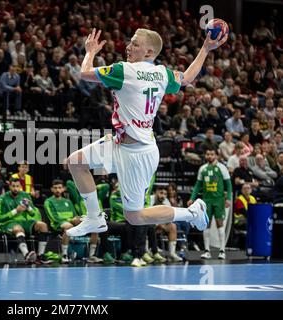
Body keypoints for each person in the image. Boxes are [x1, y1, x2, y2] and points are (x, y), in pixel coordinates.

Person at [65, 27, 227, 237]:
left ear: (149, 53)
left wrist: (90, 52)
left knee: (135, 217)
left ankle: (190, 212)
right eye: (130, 42)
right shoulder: (161, 73)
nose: (128, 47)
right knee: (76, 162)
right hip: (120, 143)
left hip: (137, 154)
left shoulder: (124, 70)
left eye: (135, 44)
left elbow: (84, 73)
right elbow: (186, 78)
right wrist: (205, 48)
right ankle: (94, 219)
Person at [188, 148, 232, 260]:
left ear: (216, 155)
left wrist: (229, 199)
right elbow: (198, 185)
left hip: (219, 200)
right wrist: (192, 198)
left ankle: (222, 251)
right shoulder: (202, 169)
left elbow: (229, 184)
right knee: (205, 224)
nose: (210, 156)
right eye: (208, 154)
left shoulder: (222, 168)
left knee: (219, 224)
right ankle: (207, 251)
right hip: (206, 200)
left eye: (212, 154)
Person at [44, 179, 102, 264]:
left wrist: (76, 219)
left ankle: (91, 256)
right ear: (52, 189)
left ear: (63, 189)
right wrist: (70, 220)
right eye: (55, 188)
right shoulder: (48, 201)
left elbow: (74, 214)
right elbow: (53, 218)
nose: (57, 190)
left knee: (93, 225)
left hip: (70, 221)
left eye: (60, 188)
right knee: (69, 227)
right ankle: (64, 255)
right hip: (58, 224)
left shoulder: (68, 201)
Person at [0, 177, 51, 264]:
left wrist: (28, 207)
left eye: (17, 186)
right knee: (18, 229)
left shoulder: (25, 195)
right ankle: (26, 255)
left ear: (20, 186)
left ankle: (41, 256)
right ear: (9, 186)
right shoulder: (2, 198)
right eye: (13, 186)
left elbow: (33, 213)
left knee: (43, 225)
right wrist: (16, 211)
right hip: (9, 223)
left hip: (24, 222)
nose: (15, 188)